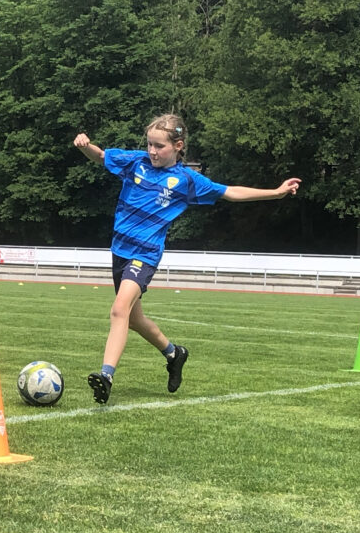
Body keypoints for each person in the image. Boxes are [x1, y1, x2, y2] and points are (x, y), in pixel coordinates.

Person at [74, 114, 300, 403]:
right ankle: (174, 353)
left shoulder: (187, 181)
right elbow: (101, 156)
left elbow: (230, 192)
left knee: (119, 310)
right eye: (150, 144)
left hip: (145, 254)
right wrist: (85, 146)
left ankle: (106, 376)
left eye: (159, 146)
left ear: (178, 146)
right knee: (134, 319)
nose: (152, 151)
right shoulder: (135, 161)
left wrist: (276, 193)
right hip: (119, 251)